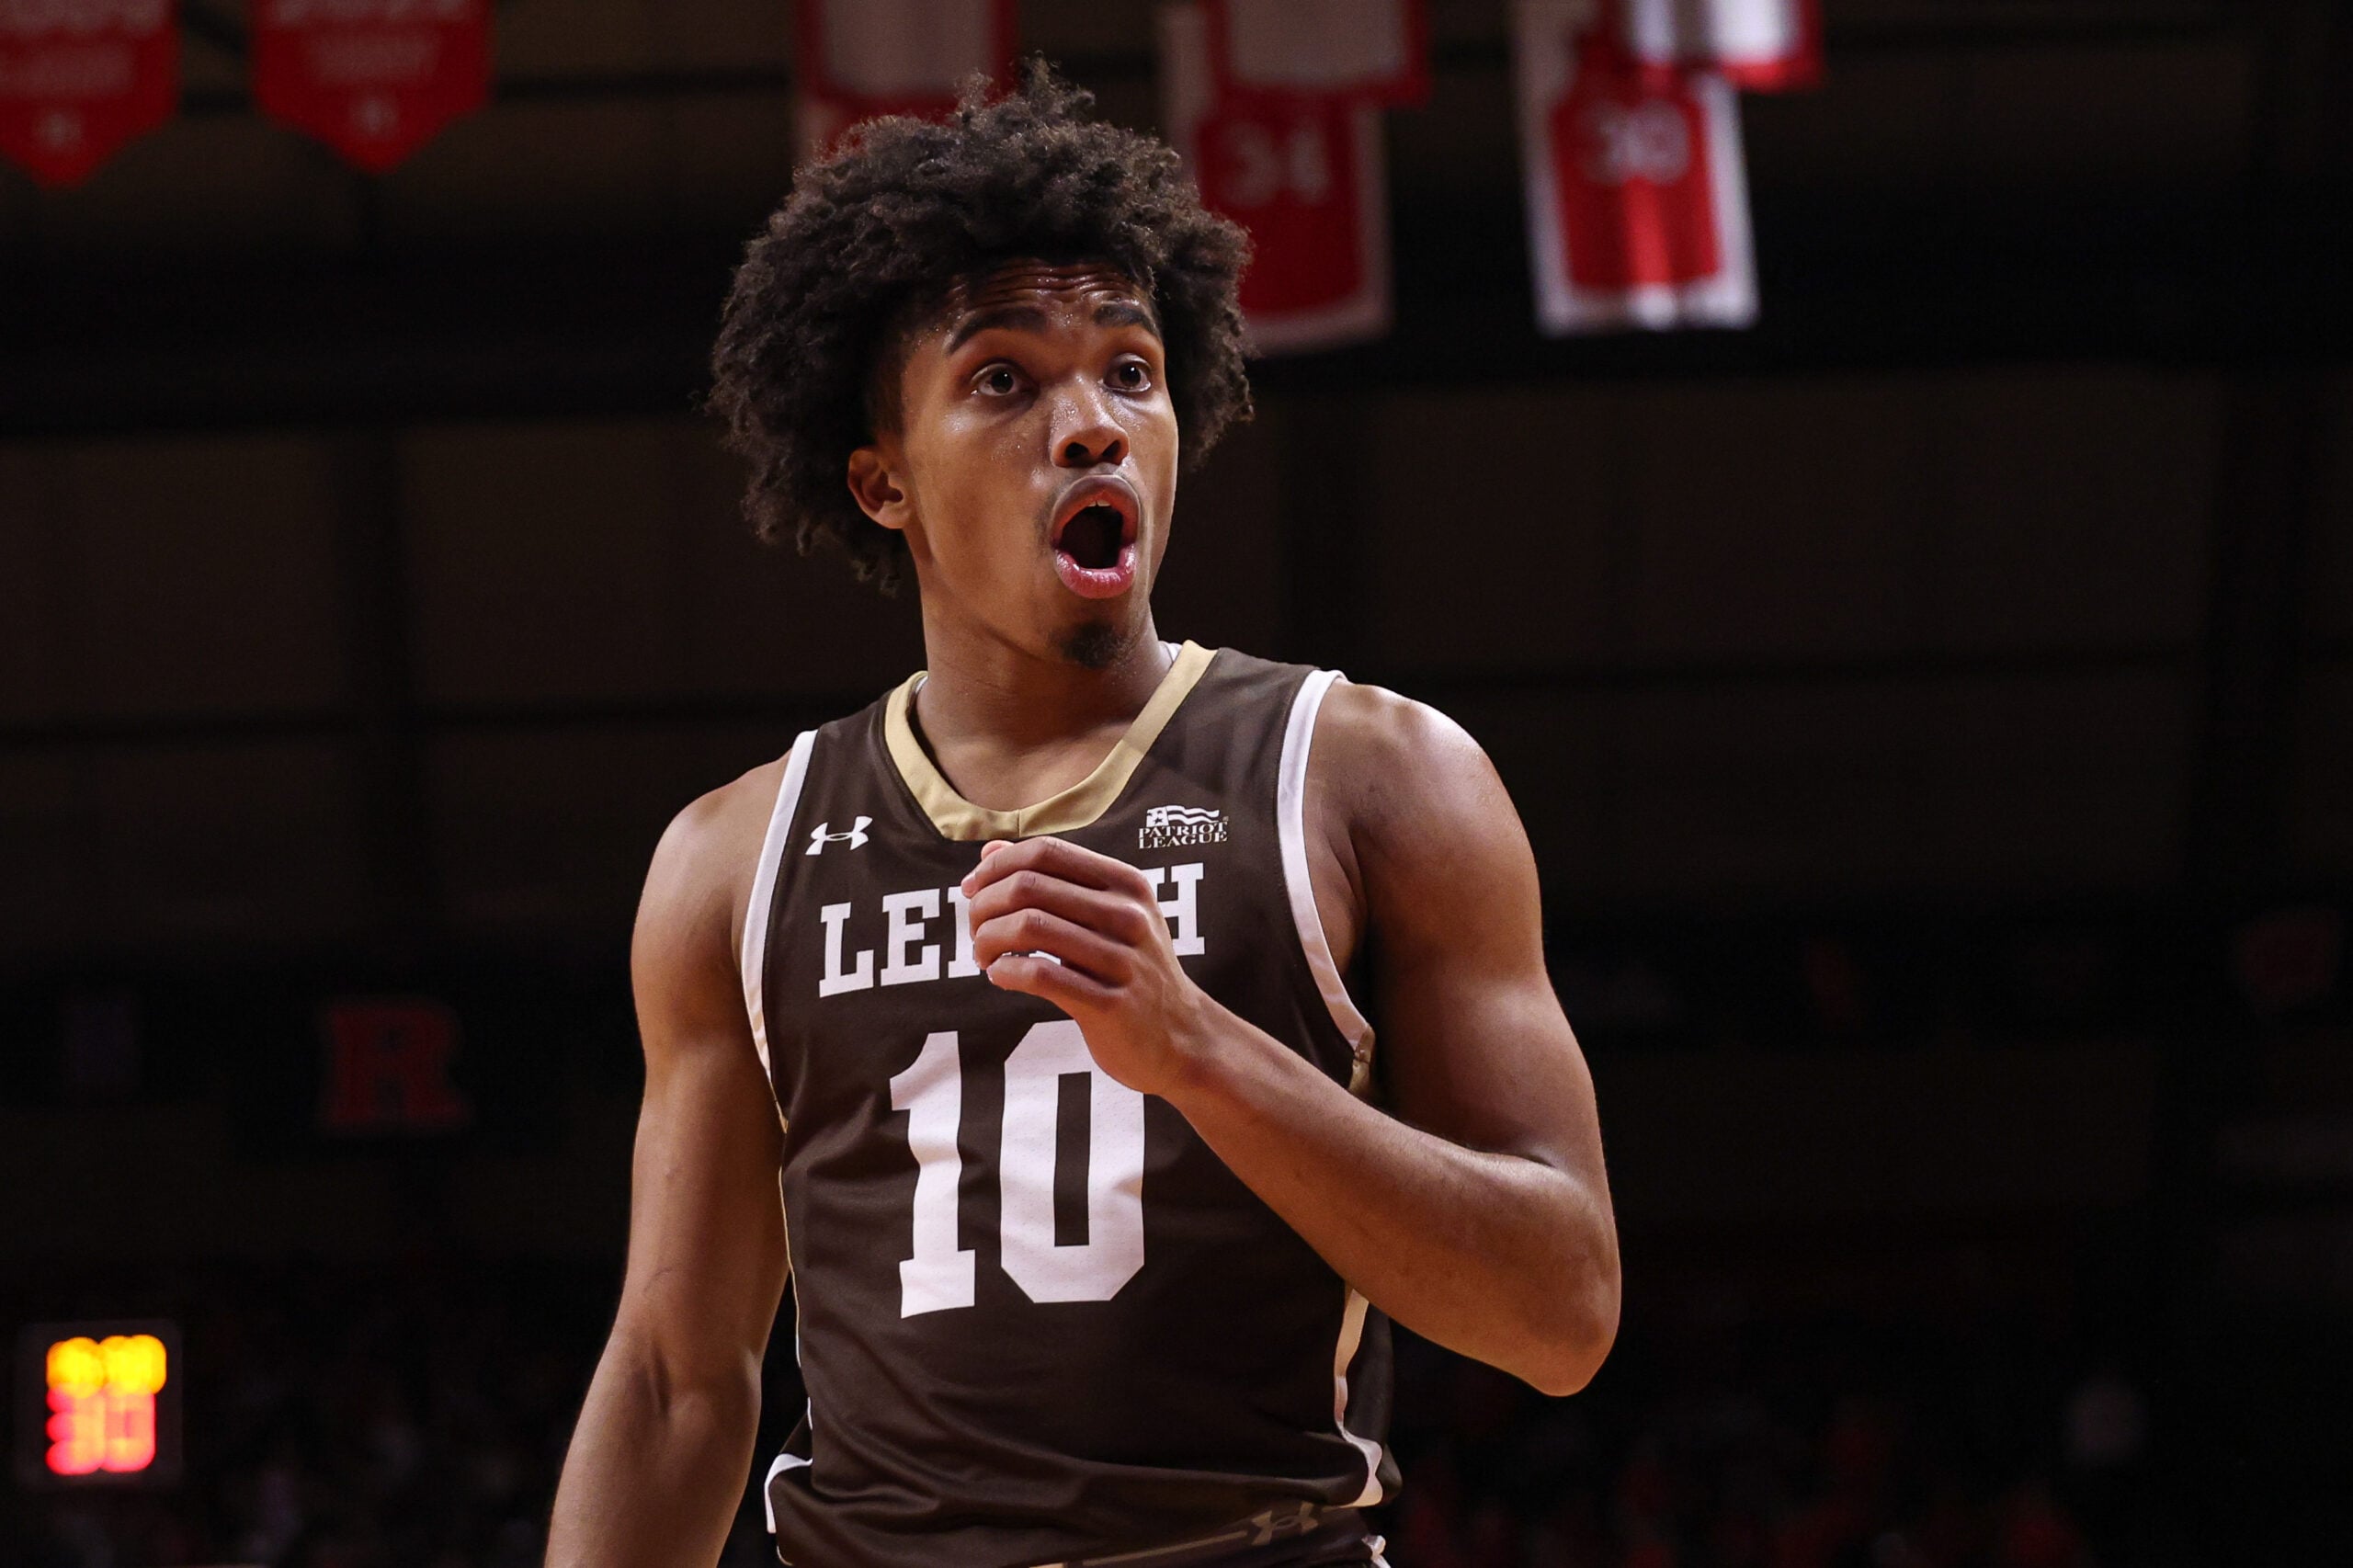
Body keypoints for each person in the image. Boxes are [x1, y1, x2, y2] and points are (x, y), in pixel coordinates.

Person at [547, 66, 1619, 1568]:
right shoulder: (738, 857)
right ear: (882, 481)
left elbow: (1562, 1311)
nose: (1092, 423)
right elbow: (674, 1381)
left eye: (1130, 368)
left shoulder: (1375, 774)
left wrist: (1204, 1052)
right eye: (1003, 379)